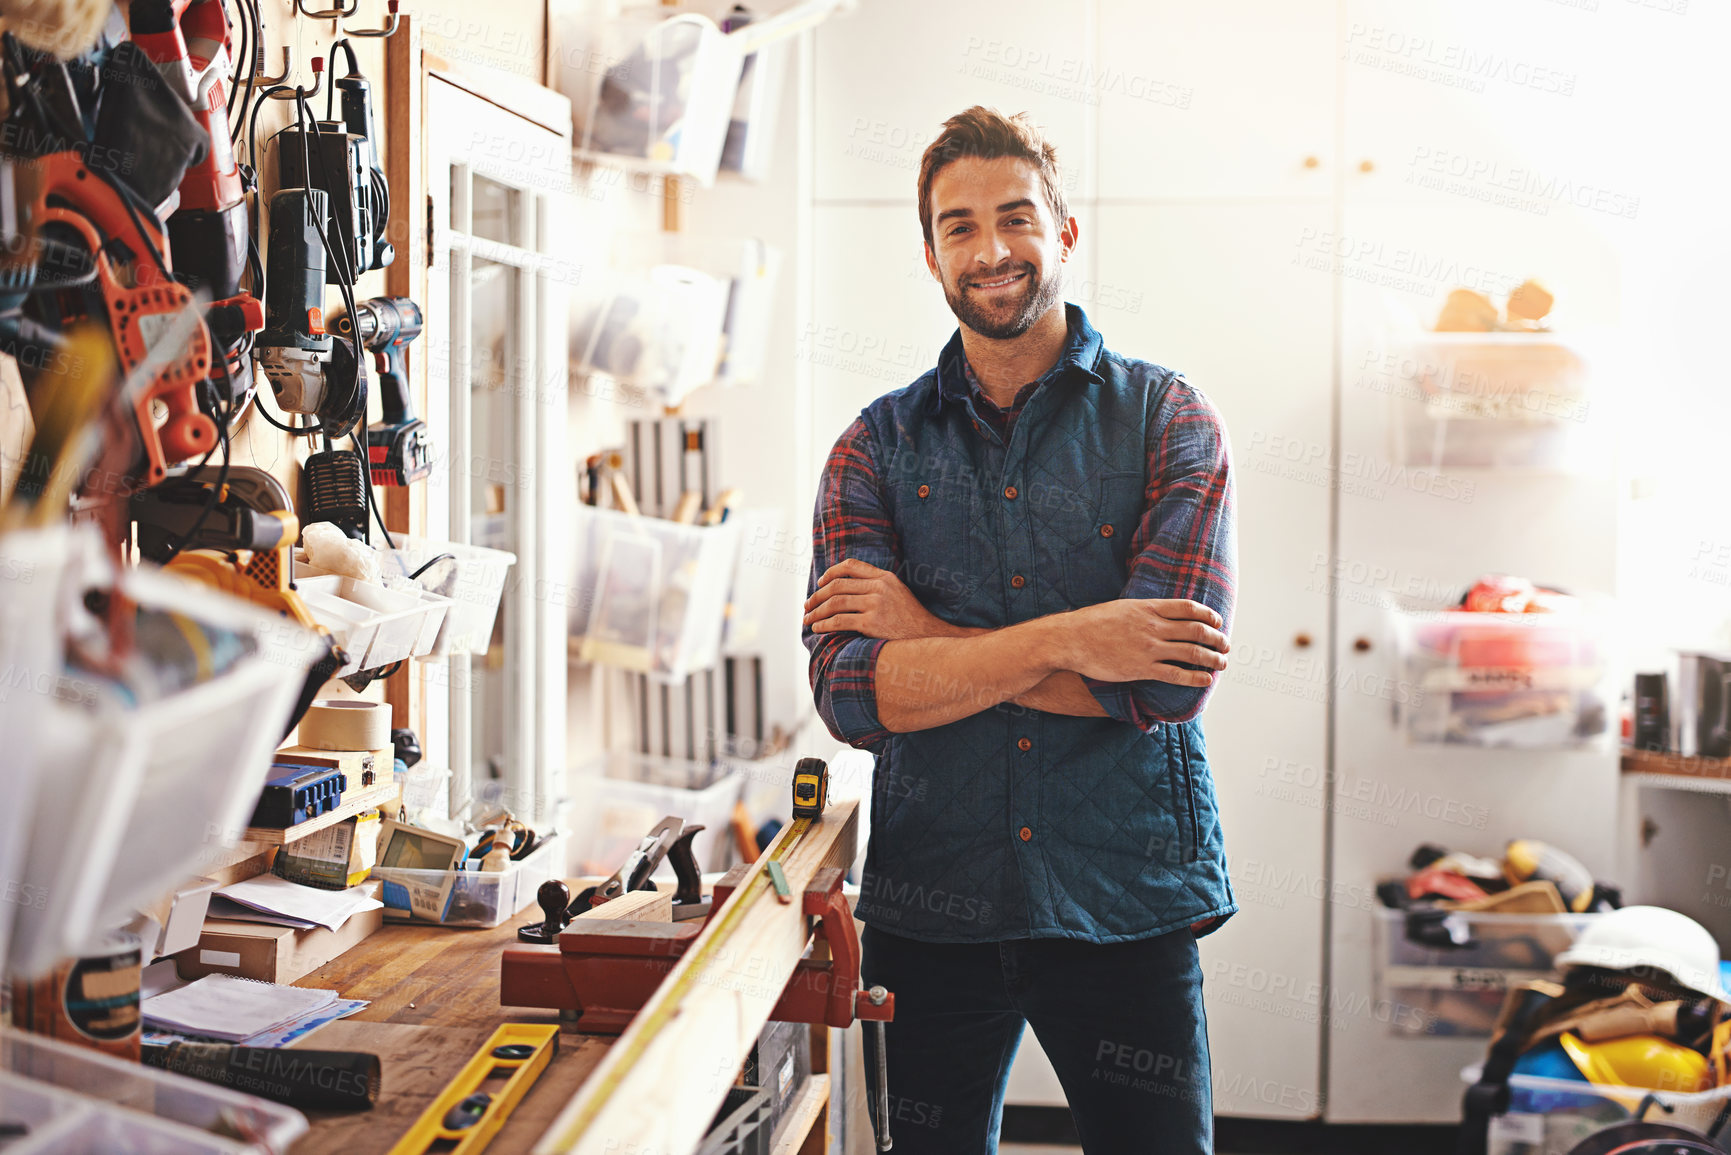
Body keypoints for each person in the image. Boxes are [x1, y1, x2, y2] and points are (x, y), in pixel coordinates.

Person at [801, 105, 1238, 1155]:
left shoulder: (1169, 422)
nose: (991, 251)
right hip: (933, 900)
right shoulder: (873, 448)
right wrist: (1076, 639)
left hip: (1126, 895)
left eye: (1016, 218)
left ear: (1066, 232)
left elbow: (1162, 690)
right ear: (930, 253)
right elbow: (855, 698)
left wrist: (926, 635)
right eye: (960, 227)